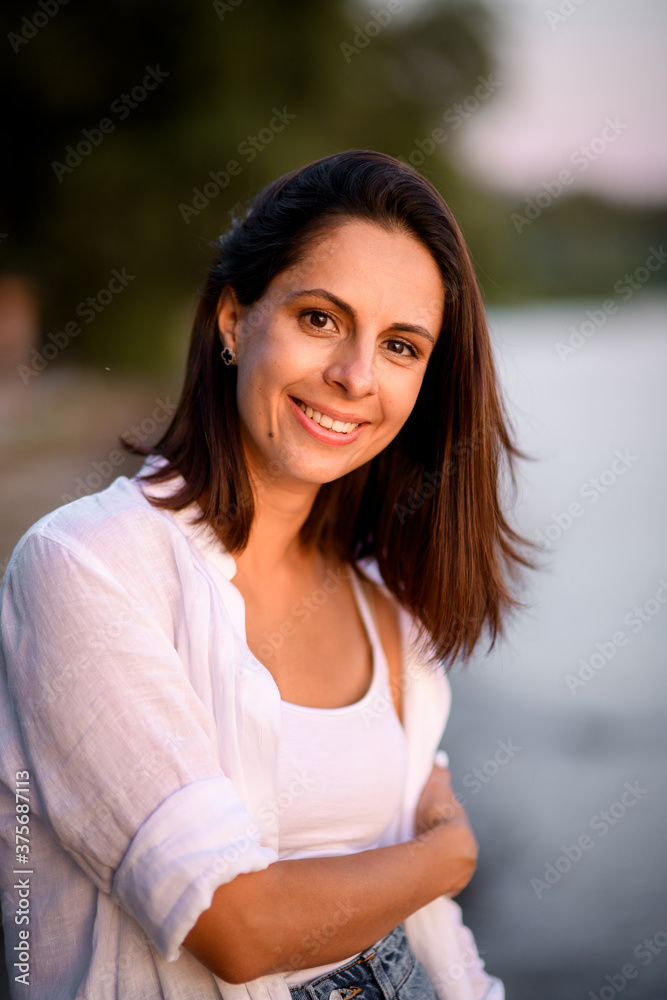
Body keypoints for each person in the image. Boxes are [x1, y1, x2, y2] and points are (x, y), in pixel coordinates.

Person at [0, 150, 529, 999]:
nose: (355, 376)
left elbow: (430, 936)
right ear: (232, 320)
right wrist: (446, 856)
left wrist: (430, 891)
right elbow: (237, 927)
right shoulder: (87, 566)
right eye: (320, 319)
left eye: (400, 345)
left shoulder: (385, 604)